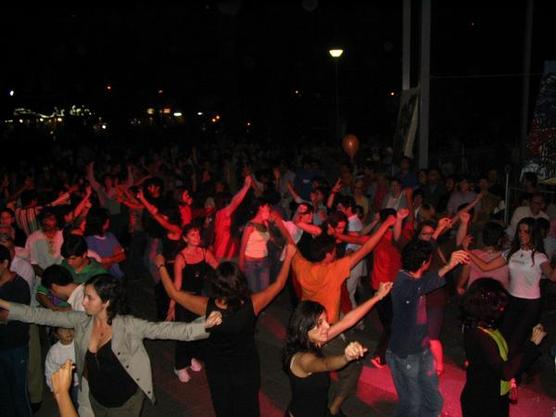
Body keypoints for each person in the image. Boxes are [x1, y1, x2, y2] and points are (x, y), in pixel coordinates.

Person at [0, 273, 222, 417]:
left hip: (125, 403)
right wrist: (4, 304)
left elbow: (167, 329)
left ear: (106, 302)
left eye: (89, 298)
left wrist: (204, 325)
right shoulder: (81, 320)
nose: (83, 302)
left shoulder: (128, 325)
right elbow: (40, 315)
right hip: (94, 398)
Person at [157, 244, 296, 417]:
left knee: (223, 406)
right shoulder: (252, 304)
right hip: (245, 365)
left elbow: (174, 293)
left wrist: (161, 265)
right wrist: (289, 256)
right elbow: (279, 284)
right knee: (248, 405)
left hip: (218, 366)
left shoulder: (205, 306)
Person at [283, 280, 392, 417]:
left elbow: (348, 321)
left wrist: (378, 296)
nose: (327, 327)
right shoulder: (303, 359)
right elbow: (326, 363)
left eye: (325, 321)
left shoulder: (312, 339)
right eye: (319, 324)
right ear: (303, 328)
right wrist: (346, 357)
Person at [387, 240, 469, 417]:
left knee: (434, 401)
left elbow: (425, 282)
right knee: (412, 403)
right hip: (405, 353)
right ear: (425, 263)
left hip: (422, 350)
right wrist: (449, 265)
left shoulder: (415, 279)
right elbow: (422, 286)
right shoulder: (403, 283)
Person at [465, 217, 556, 361]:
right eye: (520, 231)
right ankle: (503, 370)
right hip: (512, 299)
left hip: (530, 304)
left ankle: (513, 374)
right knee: (504, 336)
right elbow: (485, 266)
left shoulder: (539, 257)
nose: (522, 234)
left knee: (517, 340)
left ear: (533, 234)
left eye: (526, 231)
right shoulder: (511, 253)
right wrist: (467, 250)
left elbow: (552, 276)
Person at [460, 278, 546, 417]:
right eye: (498, 306)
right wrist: (532, 344)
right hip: (483, 401)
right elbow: (505, 371)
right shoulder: (480, 334)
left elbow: (499, 360)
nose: (501, 310)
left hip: (492, 393)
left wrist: (510, 382)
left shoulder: (483, 324)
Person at [166, 224, 218, 383]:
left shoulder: (204, 252)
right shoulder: (181, 258)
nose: (196, 237)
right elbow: (177, 285)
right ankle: (180, 366)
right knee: (184, 334)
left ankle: (192, 357)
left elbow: (219, 269)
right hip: (184, 299)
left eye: (197, 234)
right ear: (185, 238)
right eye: (192, 235)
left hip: (199, 299)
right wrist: (171, 306)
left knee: (199, 331)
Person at [0, 244, 32, 417]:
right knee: (3, 395)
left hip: (15, 347)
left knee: (19, 394)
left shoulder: (19, 285)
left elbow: (8, 315)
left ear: (4, 263)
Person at [45, 327, 78, 407]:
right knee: (68, 406)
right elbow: (50, 371)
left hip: (79, 384)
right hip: (63, 386)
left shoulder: (78, 344)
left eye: (71, 328)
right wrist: (54, 389)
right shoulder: (54, 351)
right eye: (63, 330)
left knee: (80, 406)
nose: (68, 332)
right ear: (56, 334)